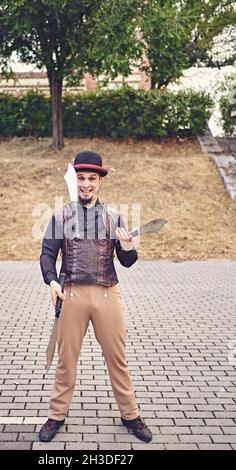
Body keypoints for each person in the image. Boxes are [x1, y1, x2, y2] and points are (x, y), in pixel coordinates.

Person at [39, 150, 152, 443]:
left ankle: (130, 415)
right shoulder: (60, 216)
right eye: (80, 178)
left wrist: (127, 246)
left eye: (92, 178)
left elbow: (127, 261)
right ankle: (56, 415)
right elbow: (47, 254)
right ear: (74, 181)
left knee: (117, 358)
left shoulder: (114, 217)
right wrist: (51, 281)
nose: (86, 184)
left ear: (100, 182)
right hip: (72, 294)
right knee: (66, 360)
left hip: (107, 296)